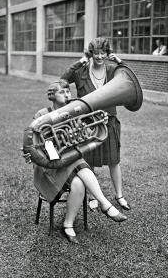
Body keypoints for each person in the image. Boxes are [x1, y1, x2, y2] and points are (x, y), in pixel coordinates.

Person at [22, 79, 127, 244]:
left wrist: (101, 123)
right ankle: (105, 205)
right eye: (61, 91)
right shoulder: (42, 115)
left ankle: (68, 225)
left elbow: (84, 136)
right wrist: (29, 155)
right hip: (48, 168)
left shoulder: (74, 113)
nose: (66, 94)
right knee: (78, 161)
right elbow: (31, 143)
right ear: (51, 96)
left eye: (68, 91)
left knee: (78, 181)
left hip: (68, 162)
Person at [60, 37, 131, 212]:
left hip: (110, 121)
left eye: (103, 53)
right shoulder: (81, 71)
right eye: (96, 53)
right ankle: (92, 196)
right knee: (88, 159)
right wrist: (79, 62)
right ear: (91, 53)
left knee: (114, 160)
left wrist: (119, 61)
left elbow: (129, 78)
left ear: (108, 53)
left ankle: (119, 195)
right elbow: (63, 80)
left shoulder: (113, 69)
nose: (99, 56)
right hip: (87, 124)